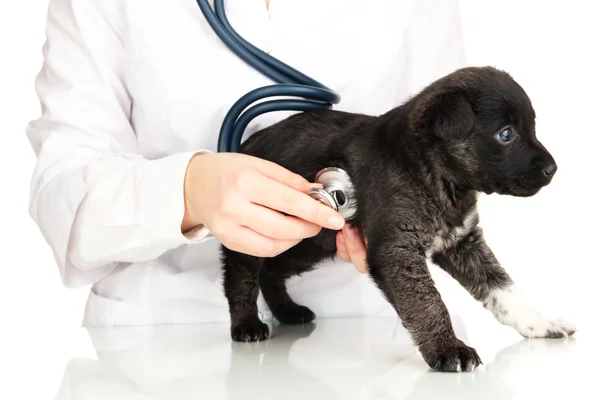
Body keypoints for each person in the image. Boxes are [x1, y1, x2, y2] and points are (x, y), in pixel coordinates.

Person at [26, 0, 467, 327]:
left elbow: (452, 154)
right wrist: (188, 191)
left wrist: (393, 213)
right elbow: (61, 197)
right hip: (161, 340)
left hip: (364, 338)